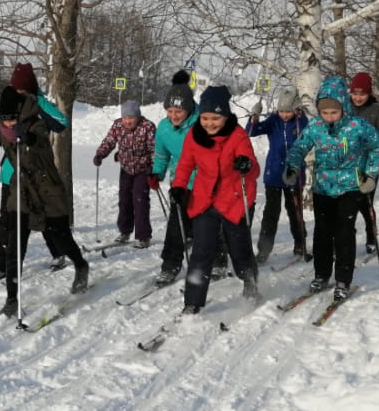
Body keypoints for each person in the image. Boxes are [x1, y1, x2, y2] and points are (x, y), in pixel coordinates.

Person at [0, 86, 89, 318]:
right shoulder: (2, 129)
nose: (9, 124)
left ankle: (80, 265)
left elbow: (42, 146)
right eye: (4, 120)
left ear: (20, 113)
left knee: (60, 237)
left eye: (13, 119)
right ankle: (12, 299)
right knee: (15, 248)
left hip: (47, 192)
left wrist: (28, 138)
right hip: (21, 194)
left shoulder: (37, 124)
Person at [283, 76, 379, 302]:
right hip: (322, 187)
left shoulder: (357, 126)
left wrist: (370, 173)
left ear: (342, 107)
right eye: (325, 112)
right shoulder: (316, 127)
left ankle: (343, 279)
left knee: (343, 233)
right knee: (322, 233)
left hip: (350, 187)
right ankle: (321, 274)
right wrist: (292, 166)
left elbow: (378, 145)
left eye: (334, 112)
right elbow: (299, 147)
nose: (329, 116)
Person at [170, 84, 261, 314]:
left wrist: (245, 164)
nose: (209, 123)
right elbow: (185, 165)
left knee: (239, 249)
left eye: (215, 118)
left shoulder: (237, 135)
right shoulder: (194, 135)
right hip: (205, 200)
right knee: (201, 251)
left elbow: (252, 165)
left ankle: (250, 282)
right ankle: (193, 300)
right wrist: (179, 187)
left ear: (226, 116)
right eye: (205, 118)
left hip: (234, 199)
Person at [0, 62, 70, 281]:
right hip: (11, 175)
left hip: (36, 175)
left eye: (23, 90)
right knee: (7, 221)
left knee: (45, 217)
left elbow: (62, 123)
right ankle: (2, 265)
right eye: (16, 89)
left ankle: (59, 252)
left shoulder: (38, 103)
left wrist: (36, 101)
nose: (18, 93)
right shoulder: (10, 103)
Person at [246, 86, 310, 264]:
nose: (284, 115)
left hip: (294, 174)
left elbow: (308, 140)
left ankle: (300, 243)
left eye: (288, 111)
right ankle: (264, 250)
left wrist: (299, 116)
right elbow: (250, 132)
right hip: (273, 173)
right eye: (281, 111)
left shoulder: (301, 121)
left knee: (294, 211)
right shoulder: (273, 120)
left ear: (296, 108)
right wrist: (254, 117)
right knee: (271, 213)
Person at [150, 73, 199, 285]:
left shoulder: (202, 123)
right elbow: (161, 155)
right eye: (170, 111)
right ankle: (170, 265)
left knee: (208, 226)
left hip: (205, 183)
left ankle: (217, 260)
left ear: (188, 108)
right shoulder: (163, 128)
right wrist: (156, 173)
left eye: (178, 111)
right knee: (176, 226)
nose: (174, 116)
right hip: (180, 184)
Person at [93, 99, 156, 248]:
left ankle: (143, 236)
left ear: (138, 116)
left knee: (140, 201)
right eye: (125, 118)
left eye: (131, 118)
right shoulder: (117, 125)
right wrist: (100, 154)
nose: (127, 121)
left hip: (142, 170)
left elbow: (155, 150)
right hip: (126, 168)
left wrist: (153, 169)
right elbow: (109, 141)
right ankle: (125, 232)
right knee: (124, 200)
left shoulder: (148, 127)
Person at [347, 72, 379, 255]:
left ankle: (371, 236)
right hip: (348, 165)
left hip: (369, 165)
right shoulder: (345, 107)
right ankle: (347, 237)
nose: (358, 98)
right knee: (347, 204)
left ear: (368, 93)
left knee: (365, 202)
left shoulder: (377, 110)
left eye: (362, 94)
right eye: (355, 94)